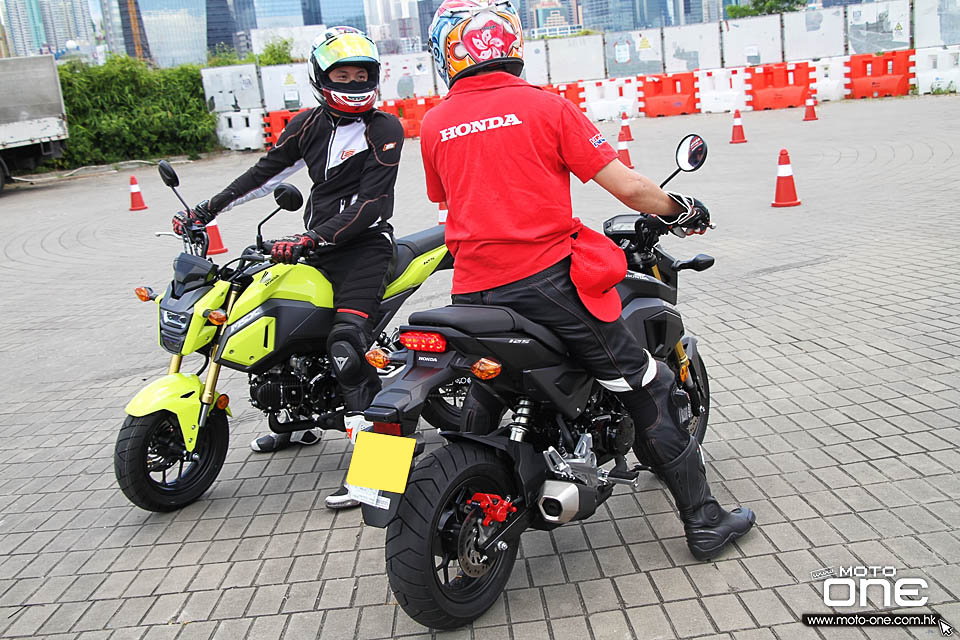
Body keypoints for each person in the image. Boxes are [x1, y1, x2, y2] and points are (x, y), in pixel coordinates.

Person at [421, 0, 755, 560]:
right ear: (510, 45)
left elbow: (448, 202)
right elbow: (628, 189)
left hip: (472, 291)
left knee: (489, 387)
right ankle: (704, 520)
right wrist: (682, 208)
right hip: (547, 285)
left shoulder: (433, 122)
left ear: (447, 53)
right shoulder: (546, 107)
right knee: (650, 387)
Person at [173, 26, 404, 509]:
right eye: (343, 73)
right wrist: (205, 210)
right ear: (322, 77)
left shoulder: (385, 129)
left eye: (362, 73)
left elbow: (372, 205)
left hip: (364, 251)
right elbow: (264, 175)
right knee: (278, 330)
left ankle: (381, 475)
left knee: (346, 347)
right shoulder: (308, 124)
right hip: (314, 248)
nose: (354, 80)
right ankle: (293, 425)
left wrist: (309, 237)